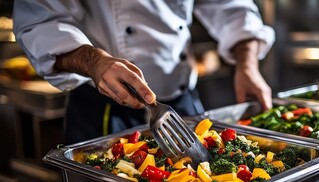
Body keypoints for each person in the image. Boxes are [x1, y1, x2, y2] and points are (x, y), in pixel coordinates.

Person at [13, 0, 275, 144]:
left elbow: (231, 7)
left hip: (184, 103)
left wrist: (247, 66)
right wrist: (94, 61)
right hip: (106, 109)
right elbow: (41, 23)